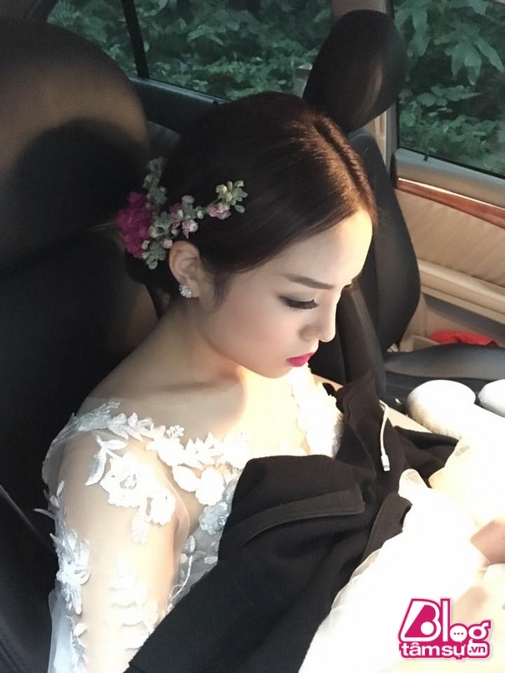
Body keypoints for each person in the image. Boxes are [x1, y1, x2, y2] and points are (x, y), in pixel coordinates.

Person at [41, 92, 504, 673]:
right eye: (301, 299)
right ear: (191, 268)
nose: (327, 330)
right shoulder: (120, 471)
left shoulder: (267, 360)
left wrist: (467, 552)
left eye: (343, 292)